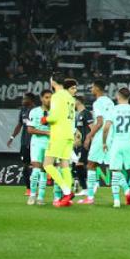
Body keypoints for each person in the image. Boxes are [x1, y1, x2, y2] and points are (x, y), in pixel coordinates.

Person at [40, 77, 80, 207]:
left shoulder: (57, 96)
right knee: (64, 165)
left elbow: (55, 116)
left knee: (47, 164)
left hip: (59, 134)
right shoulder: (70, 98)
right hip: (68, 134)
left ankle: (66, 192)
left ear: (53, 82)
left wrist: (45, 119)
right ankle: (66, 198)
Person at [107, 88, 130, 208]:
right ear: (129, 97)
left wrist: (103, 142)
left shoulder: (113, 110)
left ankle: (116, 201)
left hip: (117, 143)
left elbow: (106, 127)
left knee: (115, 172)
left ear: (118, 96)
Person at [83, 82, 113, 205]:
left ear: (97, 88)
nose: (91, 89)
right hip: (111, 136)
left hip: (101, 137)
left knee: (90, 165)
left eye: (92, 87)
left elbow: (99, 122)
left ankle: (90, 197)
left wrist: (89, 135)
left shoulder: (97, 103)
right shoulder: (110, 102)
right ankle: (128, 192)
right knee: (114, 168)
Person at [6, 93, 35, 202]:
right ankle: (29, 189)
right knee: (25, 166)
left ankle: (36, 188)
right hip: (24, 143)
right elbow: (19, 125)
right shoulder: (23, 110)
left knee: (35, 166)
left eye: (25, 99)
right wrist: (12, 137)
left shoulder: (36, 111)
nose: (23, 100)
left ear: (31, 100)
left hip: (35, 143)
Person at [22, 91, 50, 205]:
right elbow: (30, 130)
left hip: (50, 143)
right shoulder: (34, 112)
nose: (49, 100)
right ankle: (32, 195)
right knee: (36, 169)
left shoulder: (55, 112)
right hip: (37, 143)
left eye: (51, 98)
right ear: (41, 98)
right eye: (47, 97)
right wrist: (47, 133)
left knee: (44, 171)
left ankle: (41, 197)